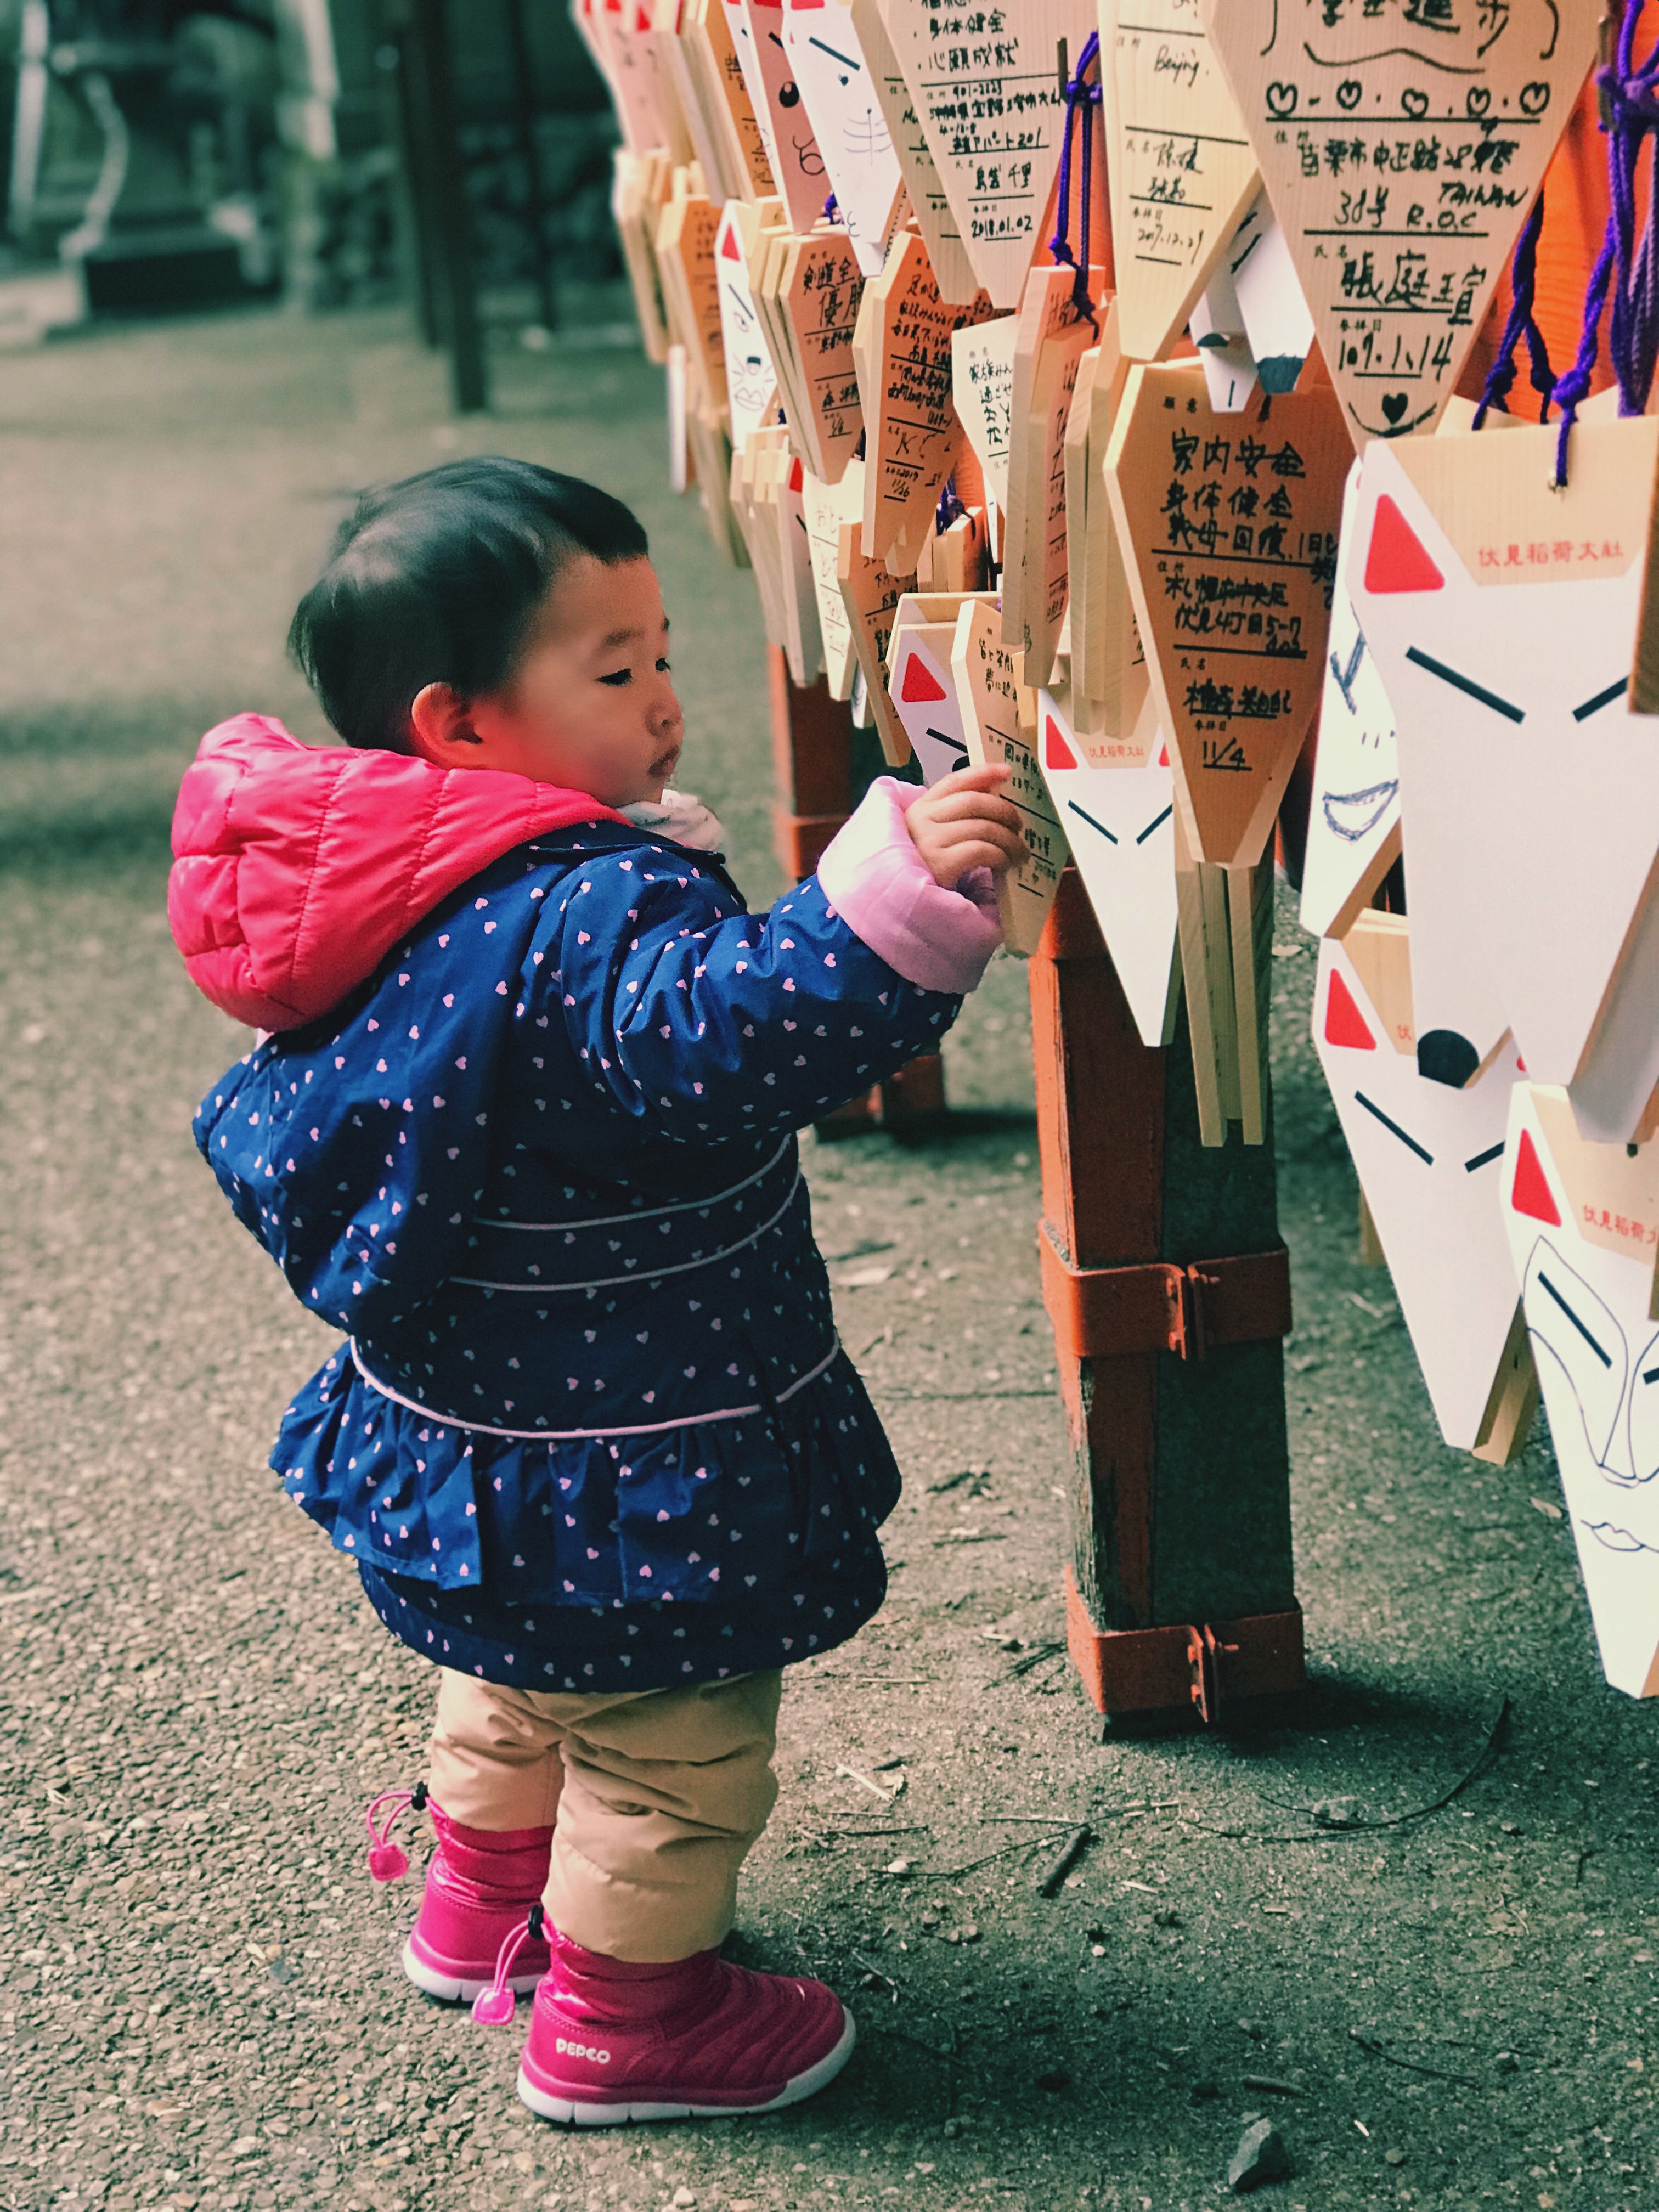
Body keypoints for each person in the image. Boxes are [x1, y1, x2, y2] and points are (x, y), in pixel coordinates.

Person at [169, 458, 1024, 2126]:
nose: (665, 700)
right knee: (668, 1737)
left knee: (518, 1676)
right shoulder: (585, 903)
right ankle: (629, 2020)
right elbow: (722, 1035)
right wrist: (896, 885)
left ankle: (483, 1909)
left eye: (661, 654)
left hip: (488, 1440)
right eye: (615, 669)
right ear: (462, 722)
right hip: (639, 1440)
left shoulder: (399, 884)